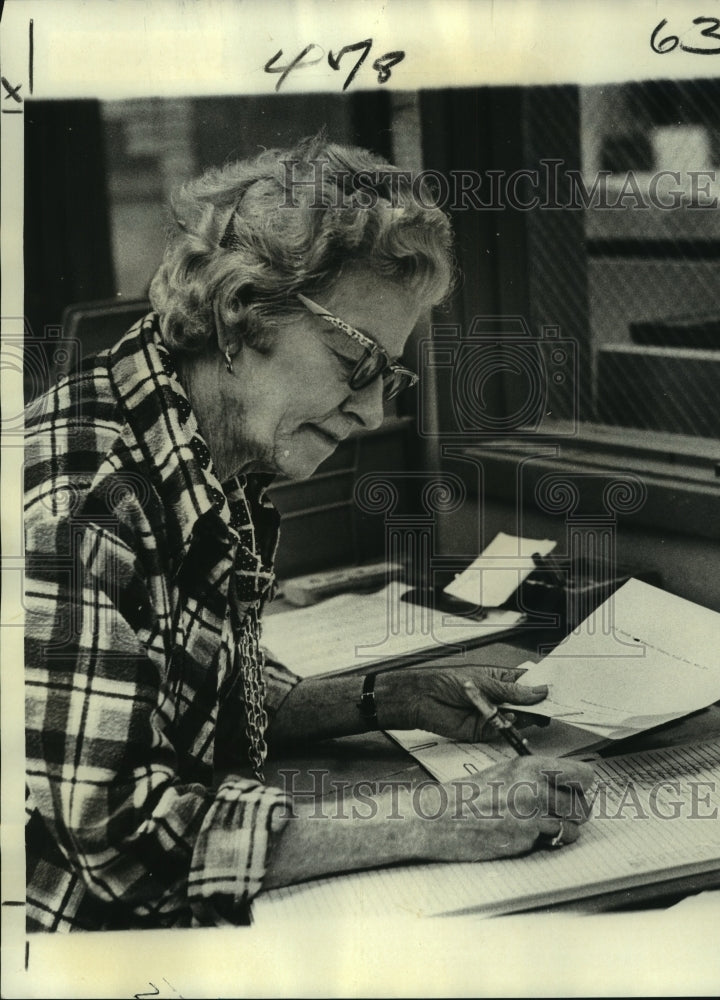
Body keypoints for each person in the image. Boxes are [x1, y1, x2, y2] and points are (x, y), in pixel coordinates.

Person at [24, 135, 593, 932]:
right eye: (352, 361)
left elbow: (206, 689)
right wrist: (438, 822)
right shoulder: (82, 502)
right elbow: (117, 842)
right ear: (238, 314)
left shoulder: (207, 453)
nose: (372, 413)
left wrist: (387, 697)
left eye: (388, 377)